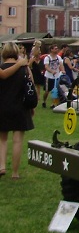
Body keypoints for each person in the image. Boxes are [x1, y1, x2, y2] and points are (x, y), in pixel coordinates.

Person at [0, 42, 35, 179]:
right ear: (16, 52)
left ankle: (2, 166)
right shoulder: (24, 68)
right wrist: (32, 107)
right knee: (17, 141)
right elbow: (31, 87)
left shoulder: (1, 68)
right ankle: (15, 173)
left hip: (2, 107)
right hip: (21, 107)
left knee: (2, 140)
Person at [42, 44, 64, 108]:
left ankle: (53, 104)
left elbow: (61, 64)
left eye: (57, 48)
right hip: (49, 77)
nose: (57, 50)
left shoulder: (58, 57)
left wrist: (63, 70)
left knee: (55, 90)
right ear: (51, 50)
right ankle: (44, 101)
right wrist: (52, 71)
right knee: (47, 91)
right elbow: (46, 66)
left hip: (57, 76)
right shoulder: (47, 58)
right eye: (55, 48)